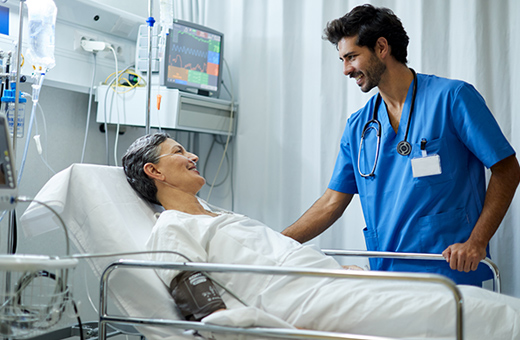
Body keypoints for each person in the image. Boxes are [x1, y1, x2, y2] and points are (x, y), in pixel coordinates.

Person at [120, 133, 520, 339]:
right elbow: (191, 289)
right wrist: (224, 324)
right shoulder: (172, 226)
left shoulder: (218, 215)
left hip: (331, 280)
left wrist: (332, 268)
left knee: (454, 299)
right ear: (154, 172)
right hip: (307, 298)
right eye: (177, 152)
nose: (191, 156)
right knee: (463, 313)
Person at [281, 4, 520, 286]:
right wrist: (275, 243)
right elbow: (331, 203)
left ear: (382, 47)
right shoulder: (359, 126)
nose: (346, 69)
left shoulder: (453, 98)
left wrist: (477, 242)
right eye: (342, 60)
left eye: (352, 57)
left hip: (448, 274)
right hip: (387, 277)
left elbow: (507, 170)